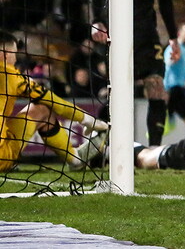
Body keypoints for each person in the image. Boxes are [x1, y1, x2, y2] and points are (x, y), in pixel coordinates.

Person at [90, 0, 180, 146]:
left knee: (157, 86)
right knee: (118, 94)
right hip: (118, 32)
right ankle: (96, 143)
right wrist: (96, 22)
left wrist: (173, 38)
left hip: (147, 33)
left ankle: (155, 149)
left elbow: (166, 1)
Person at [0, 31, 108, 171]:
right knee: (42, 109)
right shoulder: (10, 76)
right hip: (2, 157)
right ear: (5, 54)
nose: (15, 60)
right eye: (14, 54)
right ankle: (75, 159)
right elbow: (54, 102)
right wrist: (89, 120)